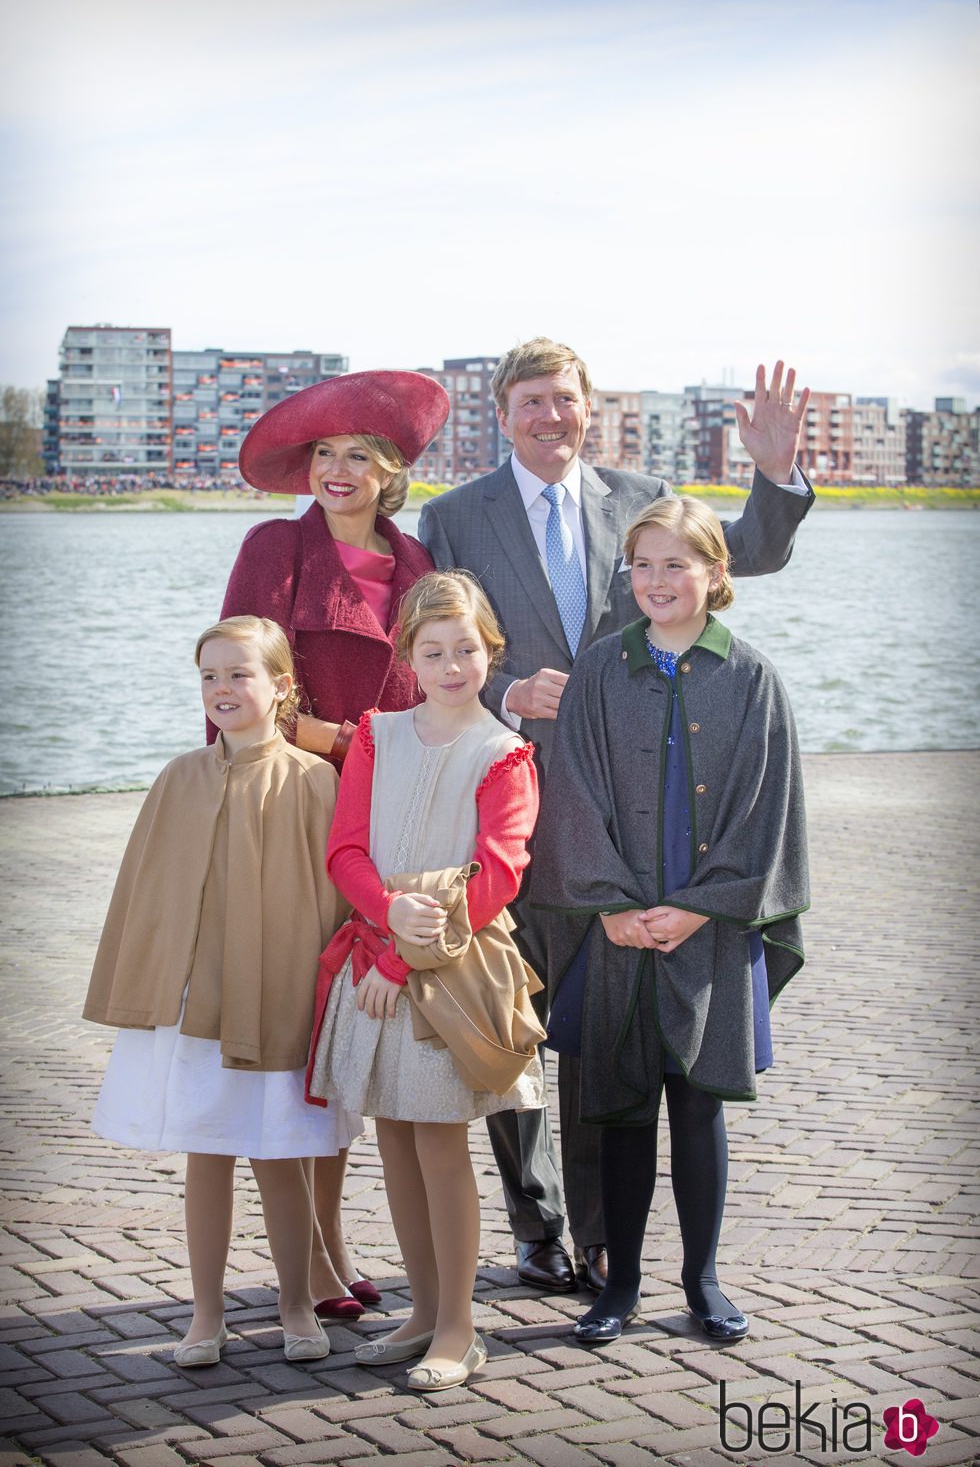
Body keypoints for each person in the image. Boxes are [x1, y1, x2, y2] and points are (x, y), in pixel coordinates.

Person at [418, 336, 813, 1293]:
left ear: (586, 407)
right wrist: (509, 690)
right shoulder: (454, 517)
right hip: (506, 799)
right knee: (509, 1024)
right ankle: (539, 1221)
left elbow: (739, 554)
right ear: (501, 414)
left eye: (565, 400)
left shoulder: (639, 495)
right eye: (530, 403)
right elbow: (428, 637)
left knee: (602, 1035)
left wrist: (776, 475)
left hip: (627, 815)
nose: (550, 418)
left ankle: (602, 1240)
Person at [529, 496, 809, 1344]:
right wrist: (611, 905)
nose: (657, 580)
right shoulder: (602, 673)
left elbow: (769, 813)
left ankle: (704, 1279)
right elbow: (571, 795)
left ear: (715, 574)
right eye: (642, 564)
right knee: (616, 1107)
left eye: (676, 564)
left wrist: (696, 910)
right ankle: (619, 1285)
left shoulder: (752, 678)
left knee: (697, 1107)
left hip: (711, 932)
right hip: (614, 932)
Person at [220, 369, 450, 1318]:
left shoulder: (418, 564)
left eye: (361, 455)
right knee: (294, 1034)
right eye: (324, 454)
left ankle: (336, 1243)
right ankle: (312, 1258)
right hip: (292, 813)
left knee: (348, 1034)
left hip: (381, 826)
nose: (339, 470)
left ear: (391, 472)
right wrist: (339, 743)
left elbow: (432, 701)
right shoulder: (273, 547)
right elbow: (237, 688)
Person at [84, 616, 349, 1366]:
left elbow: (329, 901)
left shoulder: (311, 779)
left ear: (280, 687)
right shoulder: (179, 778)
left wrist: (323, 1002)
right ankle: (205, 1315)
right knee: (208, 1149)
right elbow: (149, 894)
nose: (223, 689)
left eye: (240, 674)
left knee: (279, 1152)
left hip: (277, 994)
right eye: (210, 677)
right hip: (196, 1001)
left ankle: (297, 1305)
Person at [306, 570, 547, 1391]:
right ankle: (419, 1311)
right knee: (396, 1140)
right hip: (376, 959)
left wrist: (405, 952)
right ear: (408, 654)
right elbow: (346, 848)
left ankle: (459, 1327)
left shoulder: (504, 752)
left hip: (449, 971)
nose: (451, 667)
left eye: (467, 651)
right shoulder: (378, 735)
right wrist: (385, 919)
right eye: (433, 651)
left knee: (442, 1142)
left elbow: (499, 874)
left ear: (491, 651)